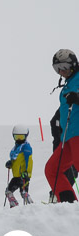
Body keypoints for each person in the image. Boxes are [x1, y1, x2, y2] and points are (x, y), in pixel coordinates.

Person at [45, 49, 79, 202]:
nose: (61, 71)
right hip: (68, 136)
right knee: (52, 170)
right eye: (57, 68)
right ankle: (69, 205)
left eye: (64, 66)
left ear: (73, 64)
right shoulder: (67, 85)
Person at [4, 125, 33, 207]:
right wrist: (10, 163)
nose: (19, 139)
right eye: (17, 137)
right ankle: (14, 206)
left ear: (26, 136)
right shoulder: (15, 148)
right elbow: (16, 160)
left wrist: (27, 173)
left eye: (21, 137)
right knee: (8, 191)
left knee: (23, 193)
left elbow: (29, 161)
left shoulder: (26, 147)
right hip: (16, 176)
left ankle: (32, 207)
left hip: (23, 176)